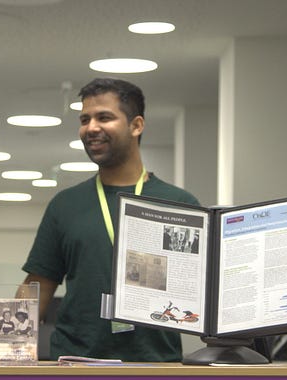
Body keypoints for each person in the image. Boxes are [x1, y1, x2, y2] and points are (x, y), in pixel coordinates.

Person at [21, 77, 199, 362]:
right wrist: (6, 351)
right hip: (75, 365)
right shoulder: (65, 205)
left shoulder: (178, 204)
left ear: (136, 125)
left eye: (104, 117)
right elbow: (37, 289)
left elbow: (195, 292)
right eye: (84, 119)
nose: (91, 128)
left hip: (156, 365)